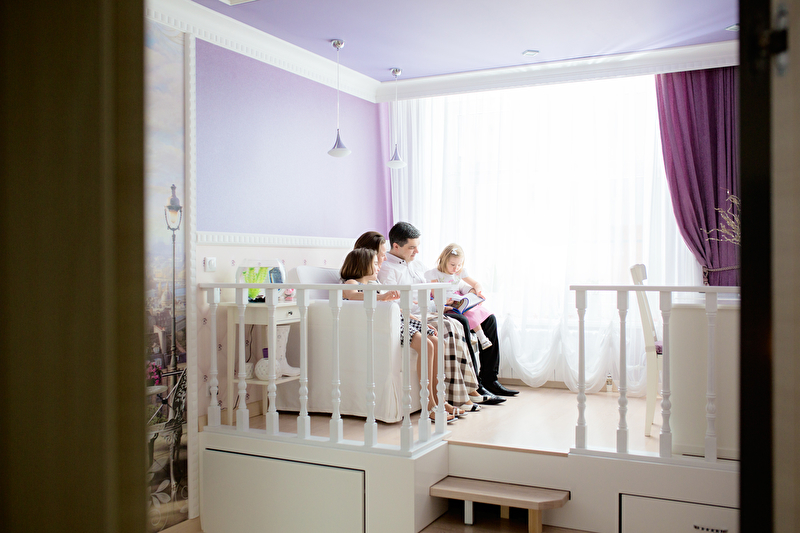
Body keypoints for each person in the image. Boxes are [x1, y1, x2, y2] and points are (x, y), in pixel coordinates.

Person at [378, 222, 518, 398]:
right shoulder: (387, 269)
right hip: (421, 312)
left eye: (418, 246)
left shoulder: (417, 265)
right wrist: (438, 305)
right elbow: (395, 302)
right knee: (462, 321)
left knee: (489, 320)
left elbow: (437, 285)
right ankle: (476, 385)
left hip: (435, 306)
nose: (417, 251)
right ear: (396, 246)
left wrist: (468, 292)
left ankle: (491, 379)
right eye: (412, 247)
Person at [339, 247, 465, 420]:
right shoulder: (352, 283)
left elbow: (394, 307)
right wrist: (382, 298)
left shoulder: (375, 285)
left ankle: (440, 400)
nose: (378, 267)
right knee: (426, 345)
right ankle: (429, 405)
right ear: (362, 265)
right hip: (383, 323)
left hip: (397, 318)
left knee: (438, 342)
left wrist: (417, 319)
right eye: (374, 263)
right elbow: (353, 296)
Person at [426, 243, 493, 350]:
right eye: (452, 264)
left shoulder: (460, 272)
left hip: (457, 298)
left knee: (472, 311)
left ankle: (482, 338)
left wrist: (478, 291)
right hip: (442, 300)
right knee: (466, 314)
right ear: (444, 260)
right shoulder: (435, 273)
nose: (456, 268)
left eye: (459, 265)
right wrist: (444, 301)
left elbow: (476, 284)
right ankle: (479, 337)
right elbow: (434, 294)